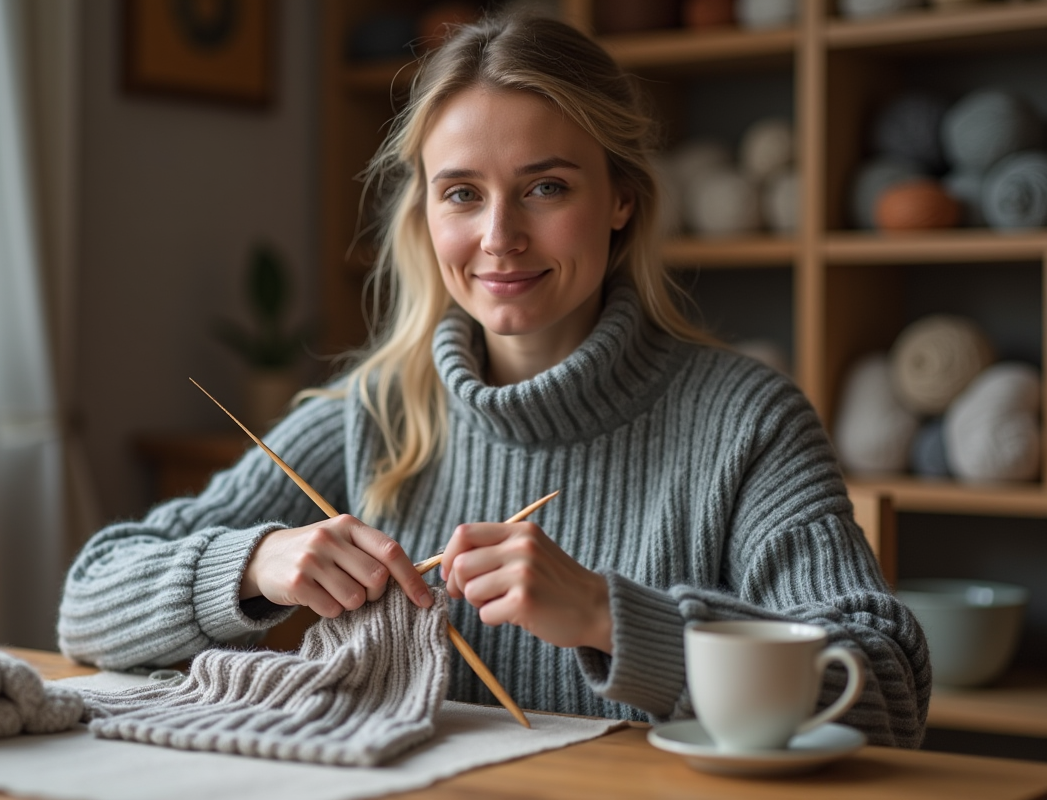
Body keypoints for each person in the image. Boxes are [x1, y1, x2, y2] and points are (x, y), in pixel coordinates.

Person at [58, 14, 930, 747]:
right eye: (463, 194)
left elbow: (886, 687)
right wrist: (254, 564)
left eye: (545, 187)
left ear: (621, 198)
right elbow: (88, 604)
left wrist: (608, 617)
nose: (499, 237)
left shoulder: (746, 421)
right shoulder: (377, 412)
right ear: (426, 210)